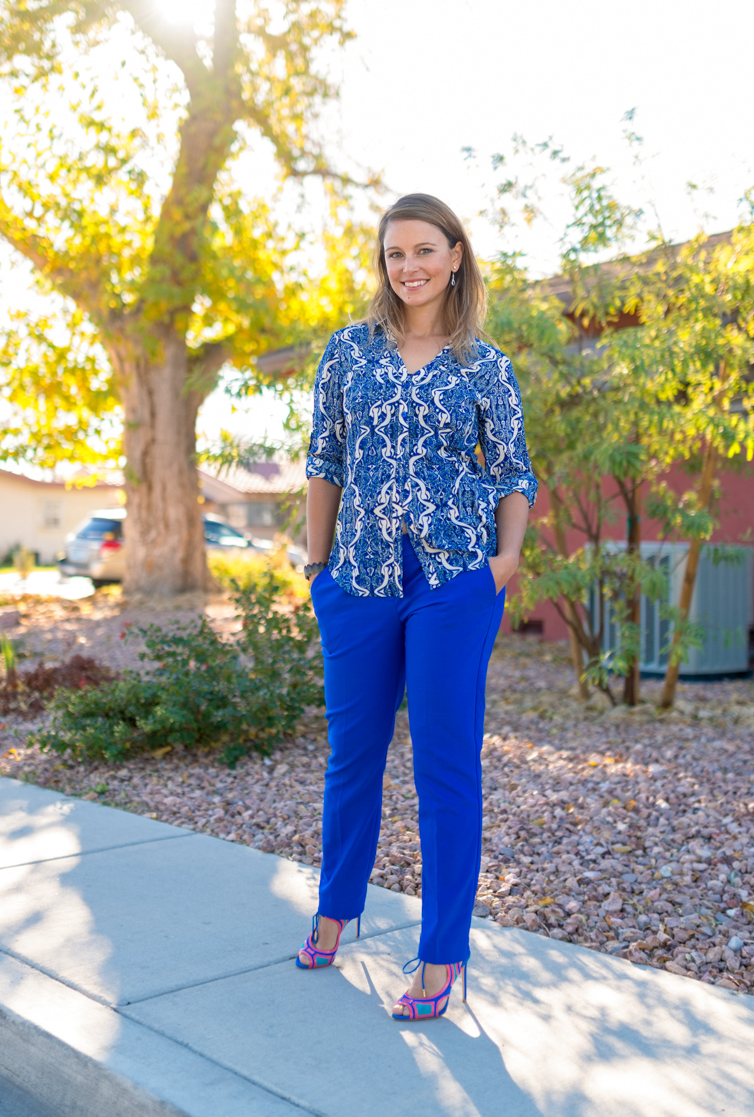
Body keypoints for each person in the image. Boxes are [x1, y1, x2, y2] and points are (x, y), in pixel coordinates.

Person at [295, 193, 538, 1020]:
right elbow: (324, 457)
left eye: (424, 250)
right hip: (356, 583)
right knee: (351, 756)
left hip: (453, 585)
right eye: (395, 253)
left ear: (455, 255)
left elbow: (511, 472)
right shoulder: (348, 353)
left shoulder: (484, 364)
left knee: (443, 767)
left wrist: (500, 567)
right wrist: (317, 567)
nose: (409, 266)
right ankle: (337, 906)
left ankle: (441, 955)